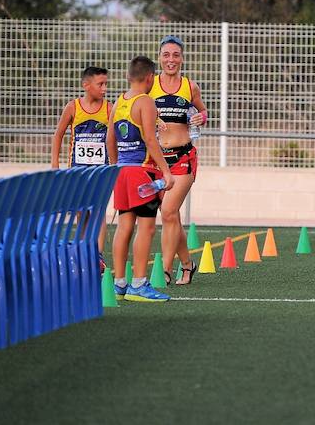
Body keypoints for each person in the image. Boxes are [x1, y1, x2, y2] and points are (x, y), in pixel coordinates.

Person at [106, 56, 176, 302]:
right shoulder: (146, 102)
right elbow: (149, 139)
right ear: (150, 78)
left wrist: (116, 165)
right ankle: (138, 283)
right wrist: (166, 170)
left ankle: (119, 284)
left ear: (128, 76)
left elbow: (110, 139)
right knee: (146, 226)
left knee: (124, 225)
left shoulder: (119, 101)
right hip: (142, 173)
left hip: (122, 172)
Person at [150, 34, 205, 285]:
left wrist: (201, 118)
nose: (171, 59)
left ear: (182, 58)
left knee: (169, 211)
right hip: (157, 160)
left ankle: (165, 269)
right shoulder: (149, 85)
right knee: (172, 216)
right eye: (166, 54)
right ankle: (187, 265)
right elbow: (134, 112)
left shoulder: (189, 86)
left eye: (175, 55)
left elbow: (202, 111)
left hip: (183, 157)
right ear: (159, 57)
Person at [51, 66, 112, 273]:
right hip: (78, 172)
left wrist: (114, 165)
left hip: (100, 172)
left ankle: (98, 256)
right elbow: (58, 135)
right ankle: (83, 251)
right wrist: (55, 166)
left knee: (99, 212)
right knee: (81, 214)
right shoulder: (73, 107)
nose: (104, 88)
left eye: (106, 84)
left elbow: (113, 138)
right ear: (86, 85)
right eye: (100, 84)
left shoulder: (109, 109)